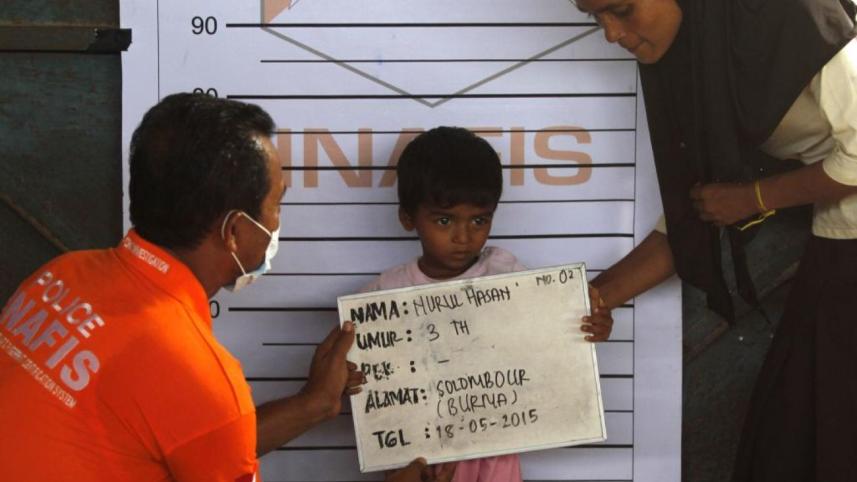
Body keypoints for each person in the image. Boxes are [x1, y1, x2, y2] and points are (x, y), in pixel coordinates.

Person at [0, 93, 452, 482]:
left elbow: (191, 437)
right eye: (277, 204)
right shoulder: (197, 371)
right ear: (234, 232)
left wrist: (314, 404)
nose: (277, 222)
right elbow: (203, 417)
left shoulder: (58, 276)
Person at [574, 0, 857, 480]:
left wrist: (756, 196)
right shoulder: (698, 53)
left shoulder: (789, 11)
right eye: (594, 18)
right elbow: (696, 214)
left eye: (620, 9)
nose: (611, 34)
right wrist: (587, 303)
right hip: (837, 239)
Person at [361, 126, 615, 482]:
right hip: (415, 465)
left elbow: (553, 340)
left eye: (479, 220)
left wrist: (592, 327)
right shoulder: (383, 294)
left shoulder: (505, 273)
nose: (463, 237)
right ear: (408, 217)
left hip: (496, 461)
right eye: (444, 220)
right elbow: (364, 379)